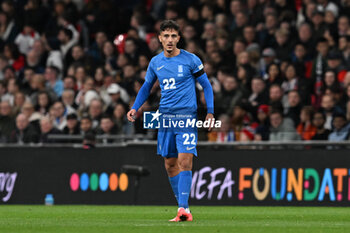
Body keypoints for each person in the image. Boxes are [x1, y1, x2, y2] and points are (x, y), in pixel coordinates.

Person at [126, 20, 214, 222]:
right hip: (165, 118)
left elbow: (206, 86)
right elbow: (147, 87)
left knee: (185, 161)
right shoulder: (156, 62)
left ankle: (183, 210)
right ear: (159, 38)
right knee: (169, 164)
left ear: (179, 38)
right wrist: (134, 107)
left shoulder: (191, 60)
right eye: (166, 36)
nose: (170, 40)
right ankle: (183, 207)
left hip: (186, 118)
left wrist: (210, 112)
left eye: (174, 36)